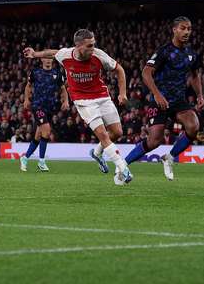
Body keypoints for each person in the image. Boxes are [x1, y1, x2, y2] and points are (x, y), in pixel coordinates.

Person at [22, 29, 132, 186]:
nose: (92, 48)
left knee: (117, 132)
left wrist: (122, 93)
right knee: (102, 134)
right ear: (78, 46)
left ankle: (96, 153)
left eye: (94, 45)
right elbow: (53, 53)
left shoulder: (99, 55)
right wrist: (35, 54)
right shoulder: (66, 55)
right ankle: (123, 168)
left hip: (102, 96)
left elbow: (119, 70)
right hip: (83, 101)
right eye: (89, 46)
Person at [124, 16, 204, 181]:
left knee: (193, 126)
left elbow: (195, 75)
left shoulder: (191, 54)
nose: (186, 32)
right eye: (183, 28)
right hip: (160, 100)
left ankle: (169, 157)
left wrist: (200, 95)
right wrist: (157, 94)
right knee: (154, 141)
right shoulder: (164, 51)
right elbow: (146, 72)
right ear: (174, 30)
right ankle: (123, 164)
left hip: (178, 100)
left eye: (189, 28)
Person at [20, 57, 69, 172]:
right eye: (45, 58)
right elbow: (28, 86)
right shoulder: (35, 72)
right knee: (46, 131)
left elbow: (63, 88)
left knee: (38, 136)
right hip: (37, 106)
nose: (48, 60)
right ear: (41, 59)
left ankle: (25, 158)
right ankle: (41, 161)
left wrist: (66, 101)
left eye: (50, 58)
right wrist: (26, 99)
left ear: (52, 60)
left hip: (50, 108)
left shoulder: (57, 73)